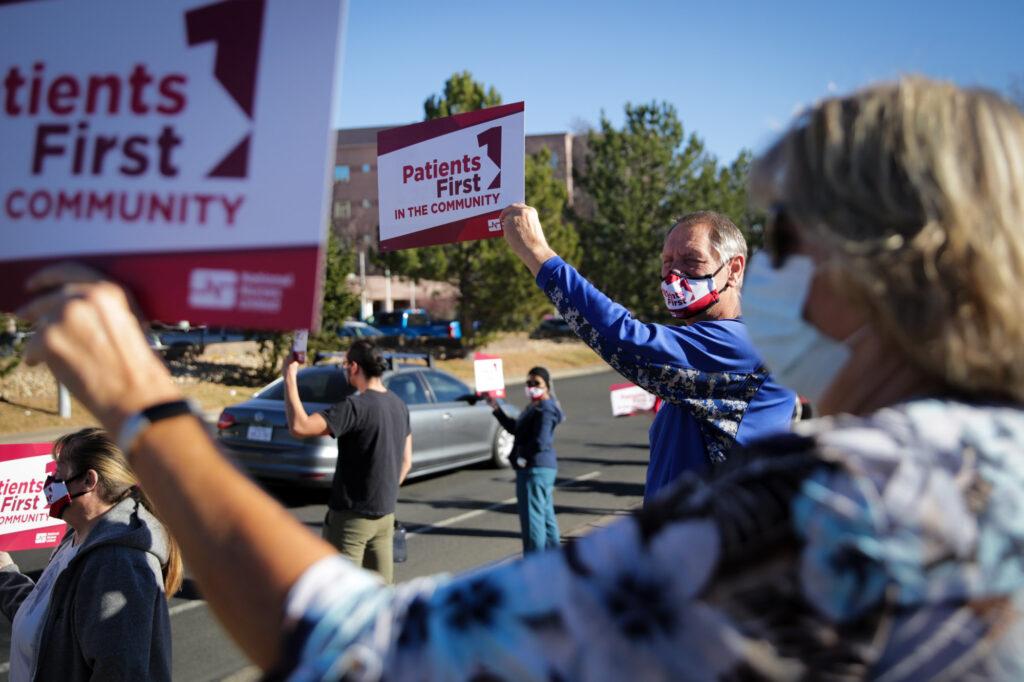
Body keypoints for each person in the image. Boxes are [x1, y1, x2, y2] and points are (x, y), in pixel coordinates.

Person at [13, 76, 1024, 679]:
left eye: (793, 241)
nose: (776, 275)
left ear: (893, 263)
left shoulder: (852, 502)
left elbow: (368, 649)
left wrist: (142, 405)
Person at [500, 206, 797, 501]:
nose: (674, 274)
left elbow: (626, 339)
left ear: (733, 270)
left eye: (691, 261)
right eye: (667, 262)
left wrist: (537, 253)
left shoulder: (748, 344)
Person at [0, 428, 182, 681]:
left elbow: (121, 672)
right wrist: (4, 571)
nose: (49, 482)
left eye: (58, 473)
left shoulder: (119, 563)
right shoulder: (78, 536)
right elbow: (48, 623)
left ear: (89, 480)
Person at [282, 339, 412, 584]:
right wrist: (383, 492)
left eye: (344, 364)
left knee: (340, 594)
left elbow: (300, 426)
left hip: (351, 521)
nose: (344, 369)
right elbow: (406, 461)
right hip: (385, 518)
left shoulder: (354, 406)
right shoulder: (399, 405)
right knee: (381, 596)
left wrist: (289, 376)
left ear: (354, 367)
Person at [487, 366, 563, 553]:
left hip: (534, 469)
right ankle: (557, 561)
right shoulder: (535, 407)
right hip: (539, 468)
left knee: (533, 523)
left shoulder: (545, 409)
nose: (531, 386)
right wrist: (497, 409)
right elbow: (516, 429)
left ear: (547, 385)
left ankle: (534, 565)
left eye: (536, 383)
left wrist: (522, 458)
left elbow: (541, 441)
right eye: (528, 383)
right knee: (545, 518)